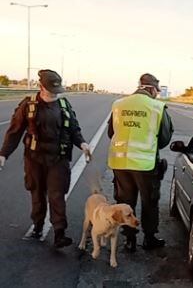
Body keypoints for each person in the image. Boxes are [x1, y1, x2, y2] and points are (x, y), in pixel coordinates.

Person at [0, 69, 91, 248]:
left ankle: (59, 233)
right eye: (51, 91)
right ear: (41, 87)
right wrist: (4, 154)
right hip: (35, 159)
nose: (54, 95)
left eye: (57, 91)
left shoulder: (64, 105)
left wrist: (83, 144)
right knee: (37, 193)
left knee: (57, 195)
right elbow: (14, 131)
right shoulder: (28, 105)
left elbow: (74, 129)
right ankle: (38, 226)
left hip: (59, 158)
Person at [107, 73, 173, 252]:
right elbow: (165, 138)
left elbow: (111, 133)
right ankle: (149, 239)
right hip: (145, 165)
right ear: (151, 89)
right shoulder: (157, 107)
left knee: (126, 202)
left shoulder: (119, 104)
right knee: (149, 202)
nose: (157, 95)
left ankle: (129, 240)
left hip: (120, 163)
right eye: (156, 91)